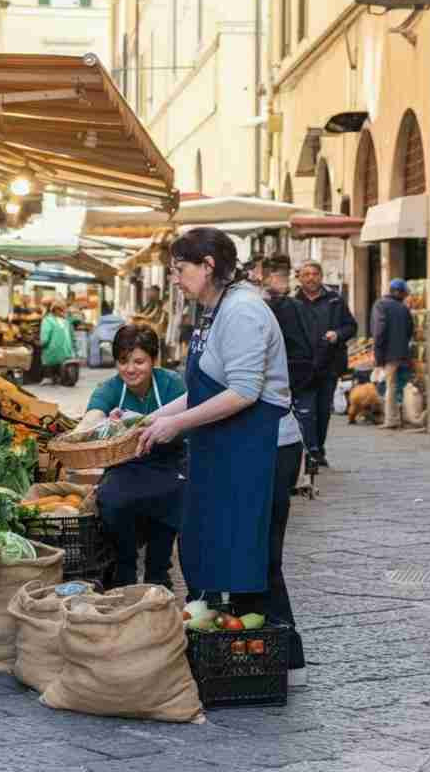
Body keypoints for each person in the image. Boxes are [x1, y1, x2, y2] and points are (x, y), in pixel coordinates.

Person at [136, 227, 293, 617]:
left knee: (256, 563)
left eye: (179, 269)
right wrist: (149, 419)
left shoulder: (242, 311)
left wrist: (177, 425)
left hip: (262, 450)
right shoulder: (215, 309)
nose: (175, 279)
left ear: (207, 265)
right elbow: (204, 390)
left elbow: (243, 392)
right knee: (229, 554)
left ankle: (278, 647)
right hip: (232, 448)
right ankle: (243, 645)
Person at [76, 324, 187, 588]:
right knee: (111, 499)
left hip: (168, 460)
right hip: (125, 464)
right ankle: (124, 565)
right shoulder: (110, 388)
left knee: (176, 494)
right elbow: (92, 417)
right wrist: (84, 431)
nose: (130, 369)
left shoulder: (172, 383)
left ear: (154, 360)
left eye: (139, 361)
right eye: (123, 361)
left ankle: (158, 571)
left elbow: (187, 420)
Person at [259, 257, 312, 684]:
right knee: (260, 555)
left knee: (266, 556)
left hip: (275, 440)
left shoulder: (267, 311)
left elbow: (302, 361)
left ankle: (288, 654)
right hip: (261, 441)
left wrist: (281, 394)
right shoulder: (236, 311)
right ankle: (271, 652)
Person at [295, 260, 357, 466]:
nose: (310, 278)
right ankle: (311, 451)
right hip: (302, 366)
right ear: (299, 278)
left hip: (329, 364)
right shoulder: (293, 302)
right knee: (306, 411)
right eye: (306, 274)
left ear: (321, 277)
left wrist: (337, 334)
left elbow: (351, 326)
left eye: (314, 274)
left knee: (322, 411)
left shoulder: (335, 300)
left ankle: (318, 448)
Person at [263, 256, 320, 468]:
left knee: (302, 415)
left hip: (296, 368)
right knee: (301, 415)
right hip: (292, 368)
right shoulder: (272, 305)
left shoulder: (288, 305)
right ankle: (306, 458)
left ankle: (307, 456)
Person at [372, 279, 415, 429]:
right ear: (398, 292)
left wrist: (378, 356)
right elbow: (410, 331)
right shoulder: (404, 308)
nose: (404, 296)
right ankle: (396, 417)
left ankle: (391, 420)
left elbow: (379, 331)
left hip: (388, 354)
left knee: (390, 386)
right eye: (404, 293)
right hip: (401, 354)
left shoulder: (381, 305)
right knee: (396, 386)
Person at [39, 301, 75, 382]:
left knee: (48, 360)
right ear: (56, 310)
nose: (63, 312)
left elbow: (45, 337)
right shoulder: (66, 321)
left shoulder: (47, 320)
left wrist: (42, 344)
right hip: (65, 351)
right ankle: (58, 377)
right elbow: (72, 336)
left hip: (52, 350)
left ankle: (49, 377)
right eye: (62, 310)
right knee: (59, 363)